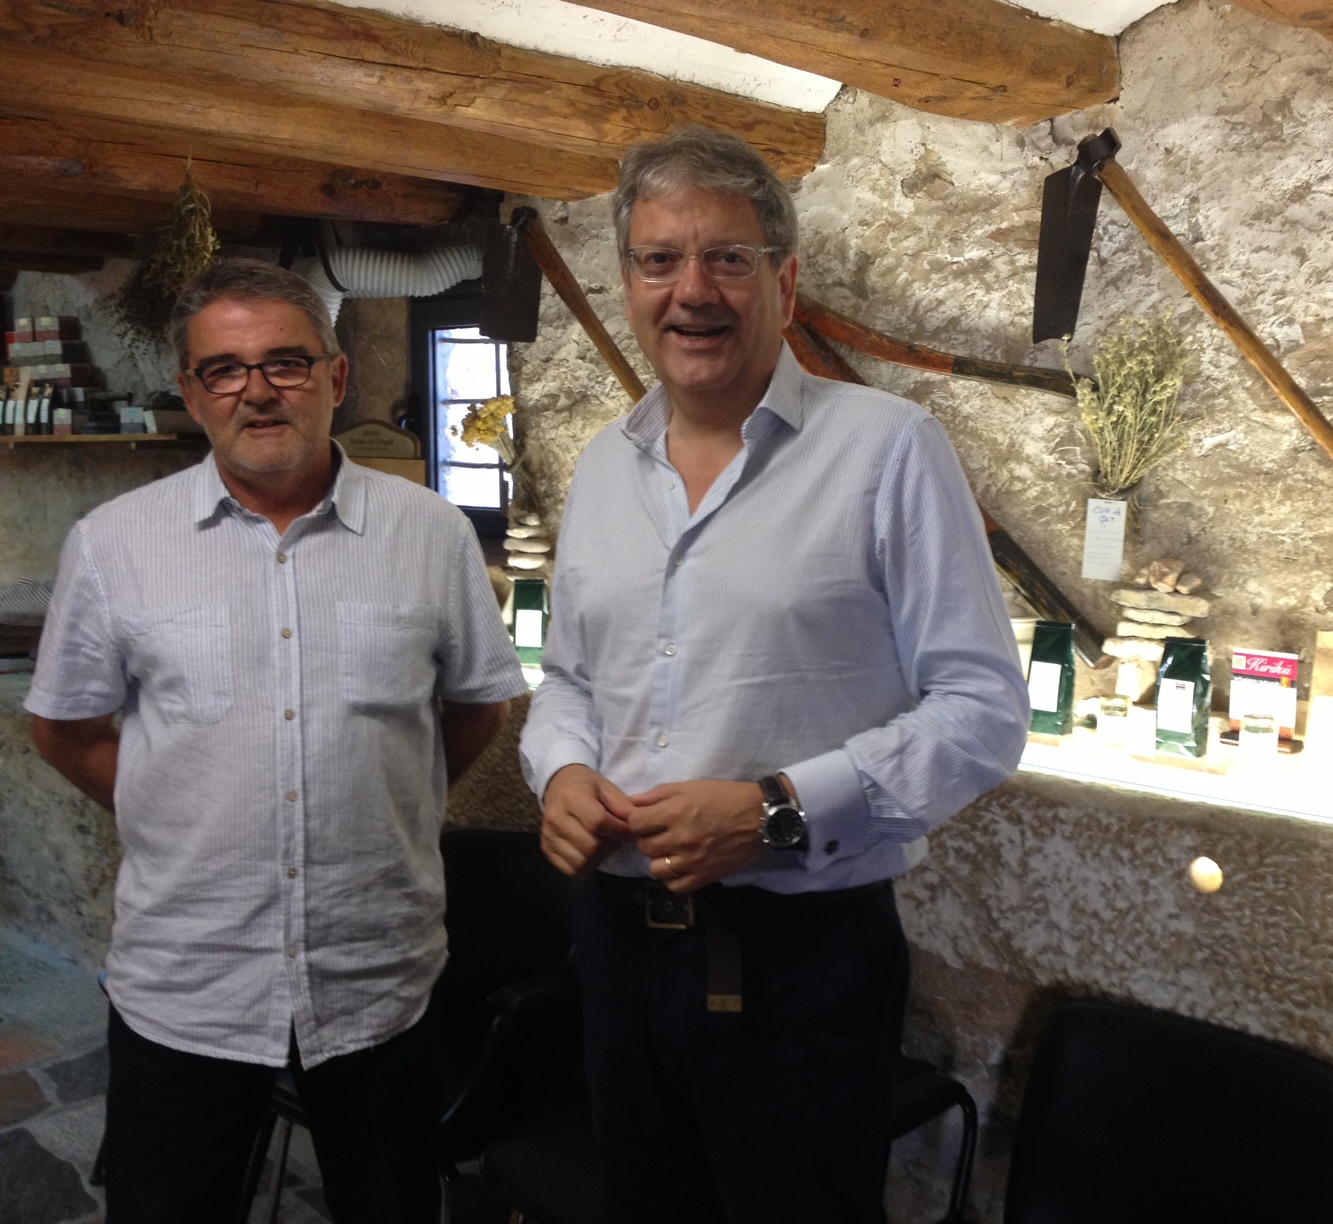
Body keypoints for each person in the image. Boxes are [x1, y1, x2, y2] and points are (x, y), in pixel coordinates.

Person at [520, 125, 1030, 1222]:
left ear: (784, 284)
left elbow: (984, 710)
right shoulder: (604, 467)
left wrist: (776, 812)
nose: (692, 290)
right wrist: (559, 771)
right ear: (629, 285)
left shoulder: (889, 449)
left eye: (728, 258)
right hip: (616, 947)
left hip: (800, 964)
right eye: (660, 260)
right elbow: (567, 679)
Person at [27, 258, 527, 1224]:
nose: (256, 390)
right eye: (223, 369)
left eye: (286, 362)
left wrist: (383, 795)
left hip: (377, 982)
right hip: (188, 984)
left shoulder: (429, 534)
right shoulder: (114, 543)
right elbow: (65, 728)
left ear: (336, 377)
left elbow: (477, 709)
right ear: (192, 394)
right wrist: (181, 808)